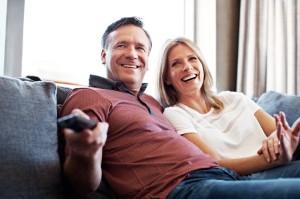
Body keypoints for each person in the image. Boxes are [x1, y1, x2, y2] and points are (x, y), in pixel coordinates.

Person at [60, 17, 300, 199]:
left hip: (221, 177)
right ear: (104, 55)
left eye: (140, 48)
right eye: (122, 46)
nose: (132, 54)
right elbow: (82, 185)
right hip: (182, 188)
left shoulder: (153, 104)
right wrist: (85, 153)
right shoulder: (89, 96)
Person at [157, 36, 300, 176]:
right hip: (249, 176)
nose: (187, 67)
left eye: (192, 59)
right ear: (166, 78)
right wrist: (273, 160)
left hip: (281, 163)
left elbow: (278, 132)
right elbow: (215, 163)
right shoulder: (174, 113)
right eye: (176, 63)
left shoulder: (234, 98)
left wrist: (276, 140)